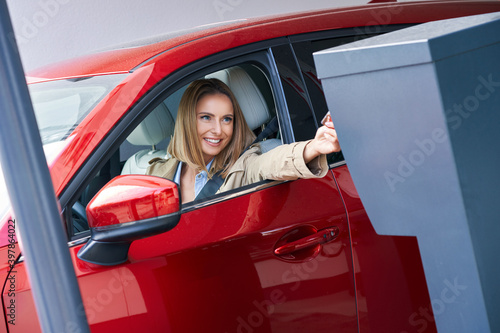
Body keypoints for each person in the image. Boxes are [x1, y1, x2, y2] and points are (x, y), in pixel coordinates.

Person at [146, 78, 340, 203]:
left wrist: (313, 147)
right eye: (206, 117)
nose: (218, 130)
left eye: (226, 119)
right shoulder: (154, 174)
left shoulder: (242, 165)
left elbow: (269, 163)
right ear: (187, 121)